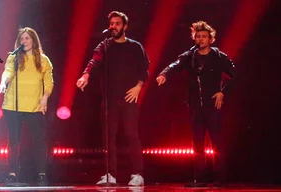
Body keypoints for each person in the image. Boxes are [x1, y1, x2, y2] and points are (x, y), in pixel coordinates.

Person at [156, 20, 237, 188]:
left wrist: (223, 92)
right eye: (198, 36)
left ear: (211, 39)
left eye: (204, 37)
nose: (201, 39)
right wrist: (164, 74)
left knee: (216, 143)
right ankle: (200, 178)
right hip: (195, 105)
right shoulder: (190, 56)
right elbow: (175, 64)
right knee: (197, 143)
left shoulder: (219, 56)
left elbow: (234, 75)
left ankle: (219, 179)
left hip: (213, 105)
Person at [76, 11, 149, 187]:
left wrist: (138, 87)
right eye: (112, 23)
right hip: (109, 99)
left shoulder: (135, 46)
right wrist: (85, 75)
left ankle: (138, 173)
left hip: (129, 98)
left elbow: (144, 68)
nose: (114, 26)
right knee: (109, 137)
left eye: (117, 23)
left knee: (131, 135)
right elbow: (94, 61)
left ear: (124, 26)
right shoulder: (105, 45)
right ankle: (111, 174)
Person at [0, 27, 54, 186]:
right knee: (14, 141)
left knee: (38, 141)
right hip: (12, 105)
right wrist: (3, 82)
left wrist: (45, 98)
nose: (24, 41)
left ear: (34, 40)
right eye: (22, 39)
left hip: (34, 106)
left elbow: (48, 81)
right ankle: (13, 173)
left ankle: (42, 173)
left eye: (27, 38)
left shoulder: (43, 60)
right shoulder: (14, 58)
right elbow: (7, 72)